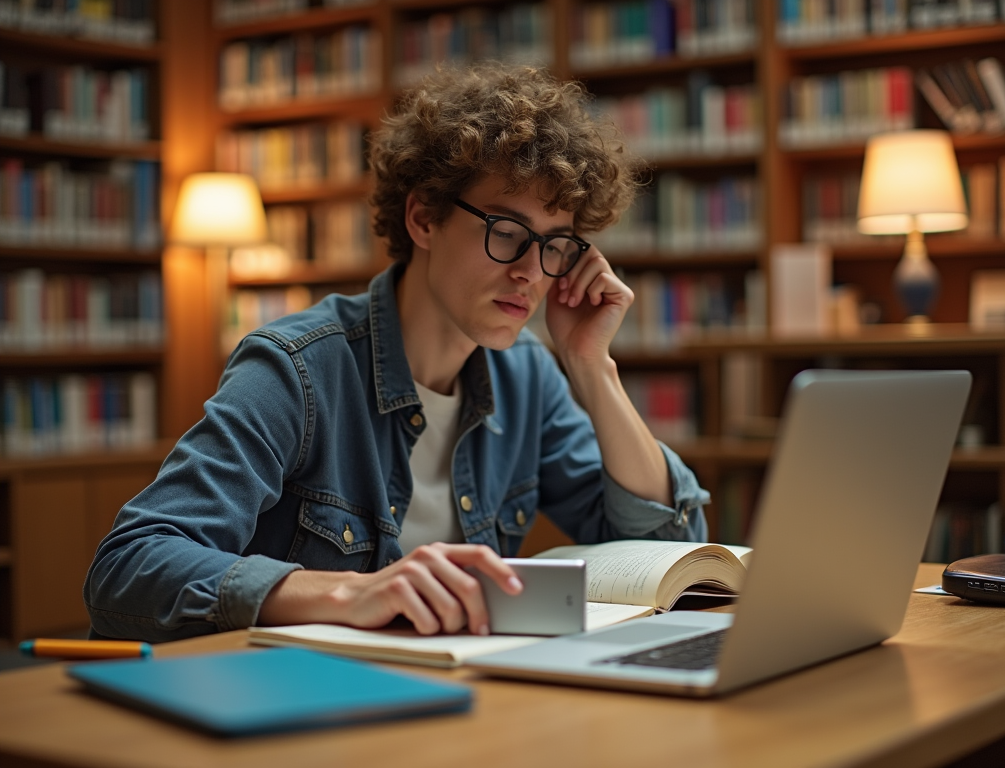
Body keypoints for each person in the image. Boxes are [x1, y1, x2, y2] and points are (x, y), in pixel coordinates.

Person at [85, 63, 709, 643]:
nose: (531, 273)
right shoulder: (298, 367)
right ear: (424, 220)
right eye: (508, 233)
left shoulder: (530, 377)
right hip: (298, 701)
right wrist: (350, 593)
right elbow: (129, 565)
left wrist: (593, 368)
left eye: (555, 246)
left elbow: (669, 548)